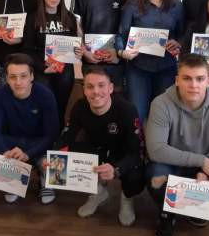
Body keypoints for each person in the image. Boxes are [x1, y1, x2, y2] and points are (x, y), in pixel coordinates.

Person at [145, 53, 209, 236]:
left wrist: (206, 176)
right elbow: (156, 150)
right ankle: (168, 215)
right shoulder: (161, 104)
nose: (193, 85)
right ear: (177, 80)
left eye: (200, 79)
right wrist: (201, 160)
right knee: (155, 179)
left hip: (204, 170)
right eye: (187, 78)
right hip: (171, 164)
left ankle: (193, 208)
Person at [55, 66, 145, 226]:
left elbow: (136, 152)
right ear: (84, 90)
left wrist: (116, 169)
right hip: (96, 151)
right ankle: (98, 193)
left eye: (101, 85)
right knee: (66, 155)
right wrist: (53, 158)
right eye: (90, 87)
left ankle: (126, 198)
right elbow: (66, 138)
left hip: (122, 154)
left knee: (136, 175)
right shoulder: (80, 107)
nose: (96, 91)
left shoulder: (127, 109)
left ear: (110, 88)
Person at [0, 53, 60, 204]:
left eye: (23, 76)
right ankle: (12, 179)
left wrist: (28, 154)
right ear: (7, 78)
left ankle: (45, 181)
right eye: (13, 77)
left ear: (32, 76)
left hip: (37, 144)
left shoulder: (46, 95)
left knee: (56, 163)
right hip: (11, 145)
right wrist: (5, 152)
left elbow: (51, 135)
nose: (18, 82)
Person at [116, 0, 184, 124]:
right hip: (138, 69)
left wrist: (178, 43)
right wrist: (122, 52)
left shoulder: (176, 4)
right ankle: (138, 142)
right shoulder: (133, 4)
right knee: (137, 115)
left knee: (164, 115)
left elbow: (182, 34)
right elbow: (121, 34)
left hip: (166, 68)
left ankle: (159, 142)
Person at [23, 0, 83, 128]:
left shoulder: (69, 17)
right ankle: (44, 136)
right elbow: (27, 50)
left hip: (64, 69)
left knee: (61, 107)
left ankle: (59, 135)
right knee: (45, 107)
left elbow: (74, 45)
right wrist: (43, 67)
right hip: (42, 69)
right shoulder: (33, 17)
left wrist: (78, 51)